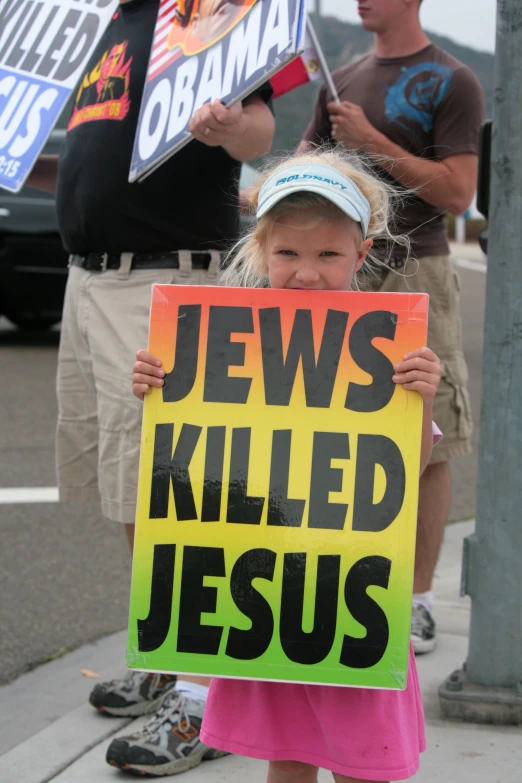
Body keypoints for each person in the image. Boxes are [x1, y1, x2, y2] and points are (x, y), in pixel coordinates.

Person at [132, 147, 442, 782]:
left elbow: (405, 472)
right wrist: (163, 388)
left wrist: (419, 398)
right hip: (273, 602)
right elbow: (194, 465)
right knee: (288, 759)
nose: (306, 273)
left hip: (350, 601)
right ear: (259, 252)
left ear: (361, 256)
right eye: (288, 255)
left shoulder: (389, 354)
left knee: (364, 765)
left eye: (328, 255)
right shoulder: (223, 346)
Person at [27, 0, 274, 776]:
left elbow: (261, 123)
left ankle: (204, 698)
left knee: (182, 501)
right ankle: (170, 658)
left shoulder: (213, 11)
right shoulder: (105, 20)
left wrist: (229, 126)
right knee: (133, 493)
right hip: (92, 281)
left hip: (167, 280)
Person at [298, 0, 485, 654]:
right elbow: (301, 178)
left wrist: (372, 143)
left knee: (428, 440)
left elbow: (459, 193)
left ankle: (418, 599)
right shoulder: (338, 79)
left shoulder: (451, 79)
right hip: (343, 273)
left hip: (416, 269)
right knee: (336, 430)